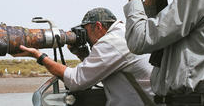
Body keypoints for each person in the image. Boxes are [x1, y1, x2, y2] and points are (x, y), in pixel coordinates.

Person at [14, 7, 155, 106]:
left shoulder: (111, 43)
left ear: (98, 26)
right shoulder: (122, 34)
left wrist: (39, 56)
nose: (85, 37)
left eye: (86, 31)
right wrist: (82, 54)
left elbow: (76, 80)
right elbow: (97, 73)